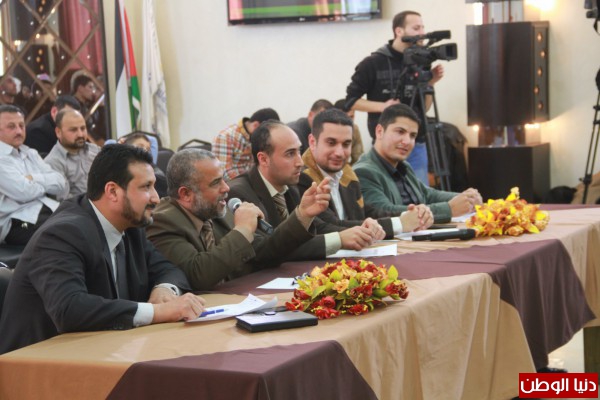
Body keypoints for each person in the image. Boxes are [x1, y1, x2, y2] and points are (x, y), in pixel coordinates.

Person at [0, 144, 205, 354]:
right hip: (38, 362)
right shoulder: (62, 234)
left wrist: (164, 289)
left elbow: (168, 269)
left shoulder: (129, 225)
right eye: (146, 187)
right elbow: (69, 308)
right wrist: (158, 312)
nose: (156, 198)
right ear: (113, 191)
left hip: (100, 351)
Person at [147, 148, 331, 291]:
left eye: (223, 180)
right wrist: (242, 230)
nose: (226, 188)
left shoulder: (213, 211)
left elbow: (264, 251)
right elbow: (198, 275)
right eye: (216, 183)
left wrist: (303, 215)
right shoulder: (162, 221)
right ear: (186, 194)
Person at [228, 120, 384, 260]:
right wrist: (339, 239)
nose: (300, 162)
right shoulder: (239, 194)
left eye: (299, 151)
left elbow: (318, 227)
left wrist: (361, 230)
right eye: (290, 154)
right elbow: (266, 249)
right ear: (263, 159)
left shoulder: (292, 185)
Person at [345, 10, 445, 186]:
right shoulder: (373, 63)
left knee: (419, 195)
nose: (422, 32)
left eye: (423, 27)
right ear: (399, 31)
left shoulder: (421, 62)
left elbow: (425, 108)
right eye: (416, 28)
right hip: (385, 145)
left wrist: (430, 84)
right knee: (388, 193)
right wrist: (383, 107)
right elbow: (351, 101)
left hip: (416, 144)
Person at [298, 108, 433, 236]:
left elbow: (369, 212)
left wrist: (411, 214)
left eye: (346, 144)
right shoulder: (301, 177)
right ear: (312, 142)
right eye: (331, 143)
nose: (339, 152)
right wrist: (399, 224)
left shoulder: (347, 174)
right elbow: (330, 226)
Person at [353, 103, 482, 223]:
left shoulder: (404, 166)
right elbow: (383, 212)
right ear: (379, 131)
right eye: (400, 132)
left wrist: (466, 198)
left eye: (412, 135)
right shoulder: (363, 172)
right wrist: (449, 209)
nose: (407, 141)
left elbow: (427, 194)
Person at [0, 105, 67, 245]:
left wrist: (33, 178)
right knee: (64, 230)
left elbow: (61, 183)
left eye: (21, 125)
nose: (19, 131)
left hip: (44, 210)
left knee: (83, 217)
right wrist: (45, 185)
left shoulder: (30, 153)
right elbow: (24, 192)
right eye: (11, 127)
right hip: (17, 222)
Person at [44, 109, 101, 200]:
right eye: (73, 130)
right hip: (84, 207)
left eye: (83, 128)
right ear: (58, 132)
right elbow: (67, 202)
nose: (80, 134)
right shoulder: (53, 163)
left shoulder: (93, 149)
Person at [212, 108, 280, 181]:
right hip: (234, 184)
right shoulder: (225, 137)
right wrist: (252, 183)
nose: (266, 137)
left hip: (252, 180)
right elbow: (224, 172)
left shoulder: (257, 136)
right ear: (256, 125)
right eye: (266, 133)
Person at [120, 132, 168, 198]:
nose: (145, 150)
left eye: (148, 149)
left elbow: (153, 139)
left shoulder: (156, 175)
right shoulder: (120, 170)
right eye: (140, 146)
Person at [333, 98, 364, 165]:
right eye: (345, 118)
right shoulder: (326, 130)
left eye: (351, 117)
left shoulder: (354, 129)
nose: (349, 121)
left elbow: (358, 158)